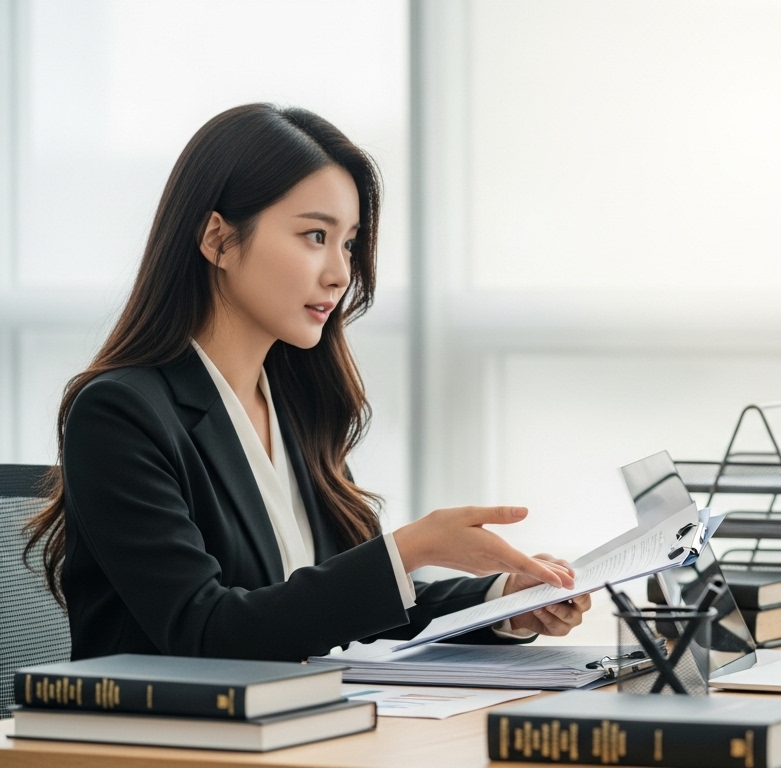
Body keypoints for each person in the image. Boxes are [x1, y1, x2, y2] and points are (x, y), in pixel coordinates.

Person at [23, 104, 590, 662]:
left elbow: (332, 611)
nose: (341, 273)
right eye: (315, 235)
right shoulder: (120, 414)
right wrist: (410, 549)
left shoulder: (293, 405)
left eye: (347, 243)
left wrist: (503, 603)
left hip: (294, 736)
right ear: (218, 239)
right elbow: (207, 631)